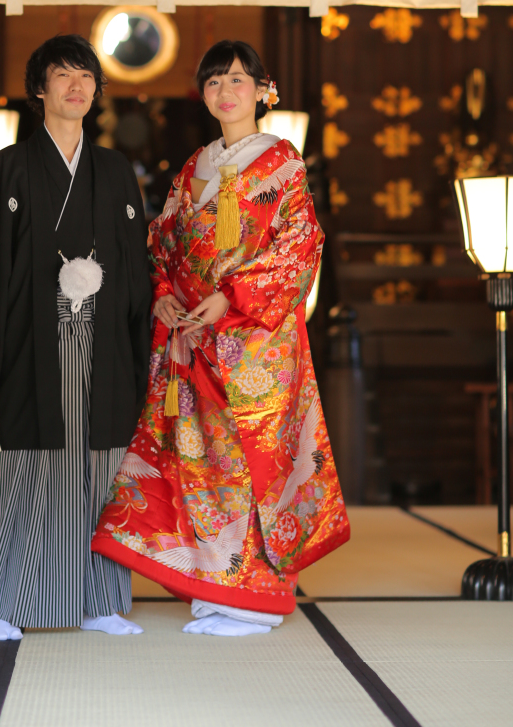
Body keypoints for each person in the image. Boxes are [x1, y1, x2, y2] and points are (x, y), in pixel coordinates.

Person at [92, 40, 349, 635]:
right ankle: (214, 585)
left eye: (237, 81)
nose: (225, 92)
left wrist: (230, 297)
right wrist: (162, 290)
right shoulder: (195, 165)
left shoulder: (282, 161)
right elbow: (164, 240)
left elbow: (299, 247)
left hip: (253, 343)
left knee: (248, 465)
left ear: (264, 90)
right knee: (200, 465)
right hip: (193, 336)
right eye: (213, 83)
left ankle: (254, 597)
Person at [0, 34, 152, 639]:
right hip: (29, 346)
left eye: (86, 76)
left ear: (97, 92)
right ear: (40, 89)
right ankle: (11, 606)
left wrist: (145, 348)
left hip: (101, 347)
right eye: (63, 75)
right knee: (25, 470)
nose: (76, 87)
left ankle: (102, 603)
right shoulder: (7, 169)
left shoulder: (112, 171)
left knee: (102, 471)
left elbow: (135, 268)